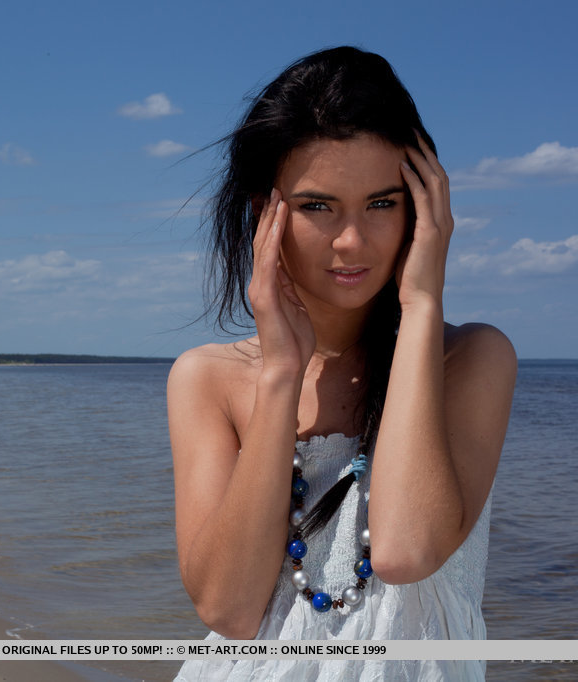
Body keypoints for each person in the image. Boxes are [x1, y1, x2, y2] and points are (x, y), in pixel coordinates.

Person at [169, 46, 517, 680]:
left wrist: (420, 304)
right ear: (263, 213)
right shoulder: (209, 378)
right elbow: (230, 609)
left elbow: (406, 550)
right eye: (318, 206)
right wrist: (280, 376)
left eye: (382, 203)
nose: (352, 240)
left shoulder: (470, 358)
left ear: (423, 208)